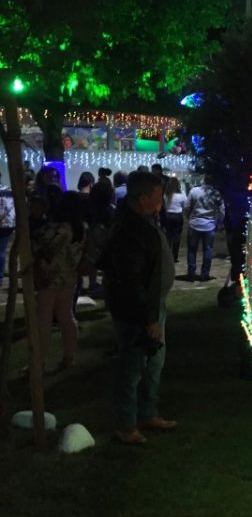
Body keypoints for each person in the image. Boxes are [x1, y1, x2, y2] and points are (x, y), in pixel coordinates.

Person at [103, 171, 176, 445]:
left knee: (154, 363)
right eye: (158, 196)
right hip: (138, 313)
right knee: (132, 366)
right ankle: (125, 424)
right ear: (143, 198)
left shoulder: (143, 222)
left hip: (153, 307)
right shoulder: (129, 230)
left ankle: (147, 413)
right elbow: (131, 280)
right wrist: (148, 319)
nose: (161, 202)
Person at [32, 191, 85, 370]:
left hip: (50, 277)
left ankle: (38, 362)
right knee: (66, 316)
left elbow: (38, 242)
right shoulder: (81, 228)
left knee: (44, 320)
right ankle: (69, 356)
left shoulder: (58, 229)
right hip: (69, 276)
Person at [185, 174, 224, 281]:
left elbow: (187, 206)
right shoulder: (216, 193)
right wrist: (219, 221)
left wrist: (189, 217)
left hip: (195, 223)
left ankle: (191, 272)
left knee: (192, 250)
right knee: (208, 249)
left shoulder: (194, 191)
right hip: (209, 224)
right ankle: (205, 273)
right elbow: (221, 209)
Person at [164, 177, 187, 263]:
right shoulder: (182, 194)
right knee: (177, 237)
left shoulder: (166, 194)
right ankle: (174, 256)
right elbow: (185, 205)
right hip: (178, 215)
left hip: (168, 215)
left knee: (168, 236)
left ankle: (167, 255)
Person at [0, 170, 16, 283]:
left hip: (4, 223)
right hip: (8, 225)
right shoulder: (8, 190)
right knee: (2, 251)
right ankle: (0, 276)